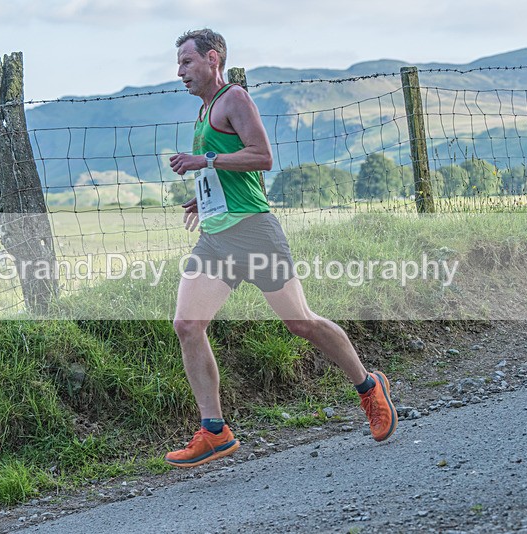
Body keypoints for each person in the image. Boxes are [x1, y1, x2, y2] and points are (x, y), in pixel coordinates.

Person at [165, 29, 397, 468]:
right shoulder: (204, 111)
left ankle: (369, 387)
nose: (180, 71)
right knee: (187, 324)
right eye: (178, 64)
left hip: (254, 232)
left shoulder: (234, 98)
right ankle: (214, 431)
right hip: (216, 237)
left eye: (186, 62)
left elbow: (262, 157)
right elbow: (232, 169)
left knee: (301, 322)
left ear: (212, 59)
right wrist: (207, 195)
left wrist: (204, 161)